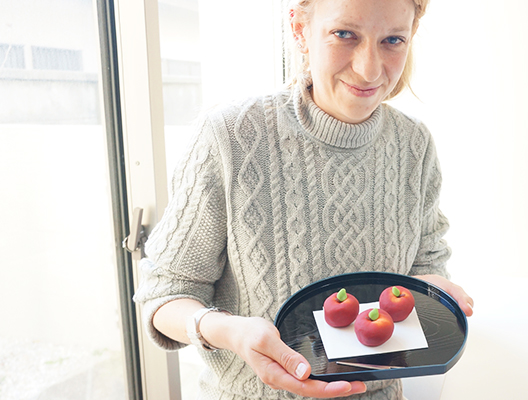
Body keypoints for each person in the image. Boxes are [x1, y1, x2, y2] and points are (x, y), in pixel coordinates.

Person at [133, 0, 474, 398]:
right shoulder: (229, 137)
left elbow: (426, 263)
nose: (369, 68)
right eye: (344, 34)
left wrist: (431, 290)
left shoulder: (414, 145)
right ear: (299, 29)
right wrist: (232, 332)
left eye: (393, 40)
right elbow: (164, 295)